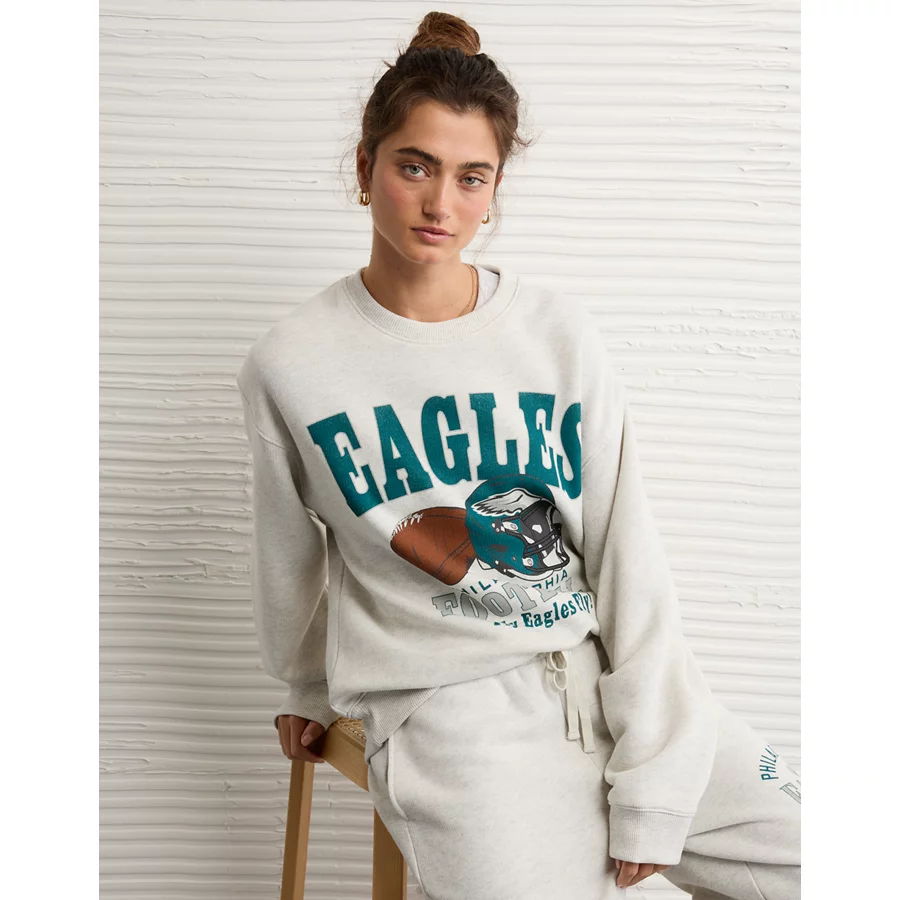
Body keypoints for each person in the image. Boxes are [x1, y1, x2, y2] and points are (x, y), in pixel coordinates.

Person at [237, 11, 800, 899]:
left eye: (472, 177)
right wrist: (306, 691)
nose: (441, 205)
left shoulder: (555, 333)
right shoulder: (293, 363)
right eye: (414, 166)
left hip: (600, 677)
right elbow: (288, 561)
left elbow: (625, 550)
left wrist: (655, 769)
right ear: (365, 166)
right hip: (452, 720)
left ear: (495, 187)